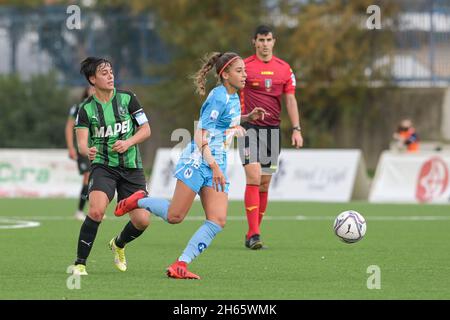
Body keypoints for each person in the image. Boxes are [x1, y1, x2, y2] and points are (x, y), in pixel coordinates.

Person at [114, 52, 267, 279]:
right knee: (175, 216)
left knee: (217, 220)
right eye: (239, 71)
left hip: (216, 164)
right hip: (198, 161)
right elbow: (199, 135)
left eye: (245, 70)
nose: (245, 75)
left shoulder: (234, 97)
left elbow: (226, 121)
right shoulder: (218, 96)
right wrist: (213, 166)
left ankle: (180, 264)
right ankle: (139, 200)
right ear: (225, 75)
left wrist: (247, 117)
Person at [71, 57, 151, 276]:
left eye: (111, 71)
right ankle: (80, 264)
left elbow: (146, 130)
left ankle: (118, 244)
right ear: (92, 79)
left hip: (132, 168)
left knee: (142, 221)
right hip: (103, 167)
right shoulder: (86, 108)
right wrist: (87, 150)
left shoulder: (128, 98)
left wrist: (128, 142)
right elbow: (81, 142)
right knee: (96, 210)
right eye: (103, 73)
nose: (110, 76)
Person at [238, 25, 303, 250]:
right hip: (248, 128)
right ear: (253, 42)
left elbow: (291, 100)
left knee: (264, 184)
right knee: (254, 177)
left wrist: (296, 129)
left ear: (274, 42)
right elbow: (229, 92)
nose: (265, 44)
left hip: (272, 131)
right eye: (261, 40)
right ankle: (254, 233)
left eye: (268, 40)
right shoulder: (243, 67)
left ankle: (252, 234)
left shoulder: (284, 69)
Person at [65, 86, 95, 221]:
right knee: (87, 177)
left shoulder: (103, 107)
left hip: (97, 149)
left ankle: (93, 209)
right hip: (83, 149)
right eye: (91, 88)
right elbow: (69, 126)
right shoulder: (78, 107)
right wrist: (71, 147)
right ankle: (79, 210)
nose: (94, 90)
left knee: (95, 178)